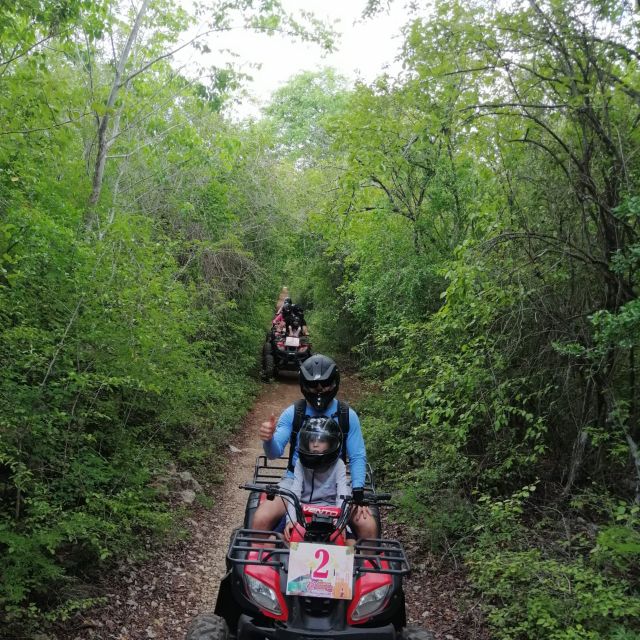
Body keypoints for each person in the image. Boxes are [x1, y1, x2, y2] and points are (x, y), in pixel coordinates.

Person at [254, 354, 377, 541]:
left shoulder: (346, 415)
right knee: (261, 519)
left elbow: (357, 455)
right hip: (294, 479)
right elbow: (274, 453)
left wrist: (358, 492)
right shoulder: (294, 413)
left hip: (334, 482)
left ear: (334, 383)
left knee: (367, 526)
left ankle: (364, 567)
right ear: (304, 385)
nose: (319, 391)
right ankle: (260, 567)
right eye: (313, 385)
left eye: (325, 385)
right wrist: (268, 439)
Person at [283, 416, 353, 544]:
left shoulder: (339, 465)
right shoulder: (300, 463)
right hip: (303, 513)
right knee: (282, 538)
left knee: (349, 543)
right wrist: (292, 520)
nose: (315, 444)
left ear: (331, 443)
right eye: (312, 440)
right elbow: (295, 493)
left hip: (332, 514)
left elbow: (343, 496)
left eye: (321, 441)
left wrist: (340, 523)